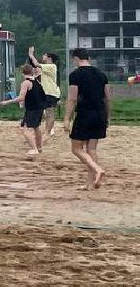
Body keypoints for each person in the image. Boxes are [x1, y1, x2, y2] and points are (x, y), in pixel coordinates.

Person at [64, 47, 111, 190]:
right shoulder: (101, 74)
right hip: (100, 113)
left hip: (85, 114)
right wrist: (108, 116)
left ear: (75, 59)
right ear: (89, 58)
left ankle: (97, 169)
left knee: (76, 149)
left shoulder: (75, 75)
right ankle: (90, 184)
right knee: (92, 149)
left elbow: (72, 99)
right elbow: (108, 98)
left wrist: (67, 118)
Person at [0, 63, 45, 156]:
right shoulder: (37, 81)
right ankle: (39, 147)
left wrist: (7, 102)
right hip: (39, 108)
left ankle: (34, 149)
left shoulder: (26, 83)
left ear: (22, 73)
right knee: (36, 127)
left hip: (32, 109)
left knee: (25, 129)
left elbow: (21, 98)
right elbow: (42, 96)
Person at [27, 47, 60, 138]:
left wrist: (31, 55)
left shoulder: (51, 66)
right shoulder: (46, 67)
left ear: (49, 58)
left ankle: (47, 132)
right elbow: (35, 66)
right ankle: (46, 131)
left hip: (50, 92)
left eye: (45, 55)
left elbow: (36, 64)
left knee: (49, 113)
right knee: (45, 112)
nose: (43, 56)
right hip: (45, 93)